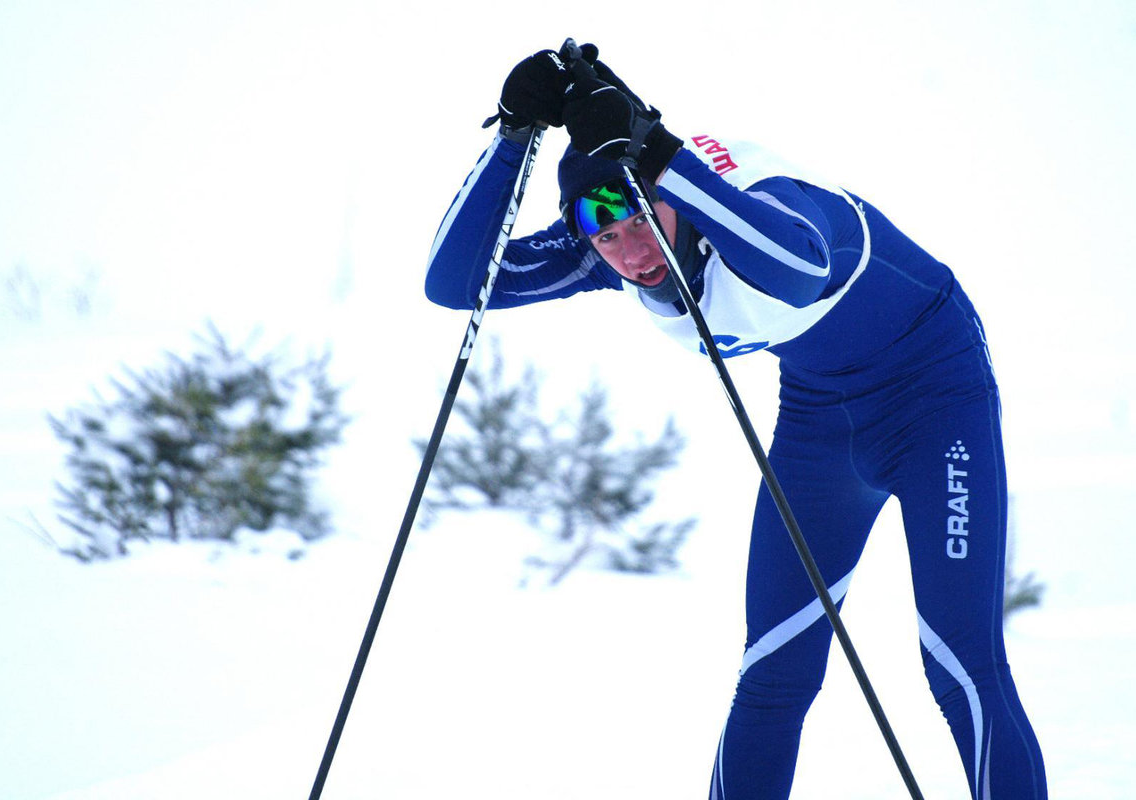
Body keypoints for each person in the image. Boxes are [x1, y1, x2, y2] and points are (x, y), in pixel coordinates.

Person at [425, 44, 1047, 800]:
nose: (631, 255)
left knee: (961, 664)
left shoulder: (760, 197)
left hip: (936, 397)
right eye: (605, 238)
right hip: (821, 423)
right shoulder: (615, 241)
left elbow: (801, 268)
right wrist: (515, 136)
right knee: (773, 673)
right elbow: (456, 281)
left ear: (672, 197)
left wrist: (655, 152)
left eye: (641, 225)